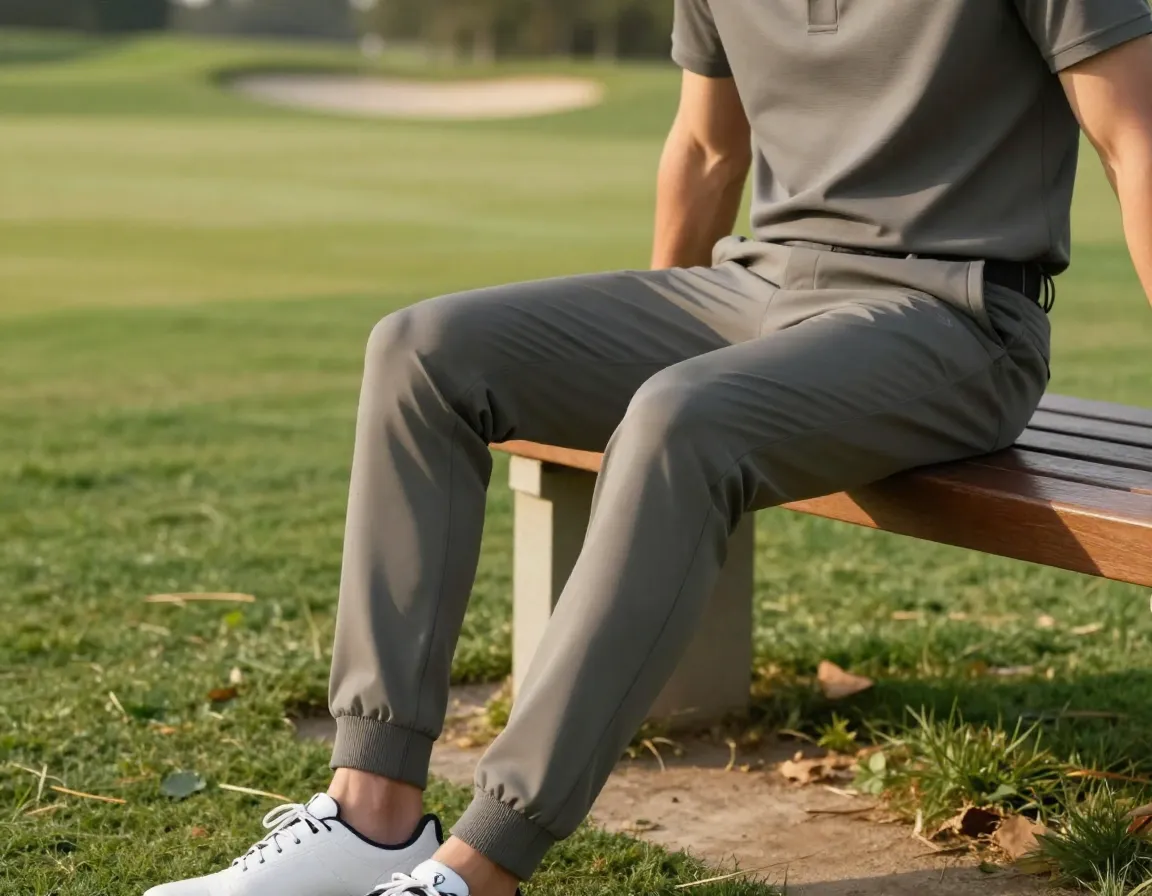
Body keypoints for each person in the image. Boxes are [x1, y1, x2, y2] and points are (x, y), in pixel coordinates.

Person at [148, 2, 1152, 895]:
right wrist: (647, 364)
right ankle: (371, 809)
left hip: (957, 318)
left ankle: (480, 865)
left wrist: (671, 408)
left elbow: (1133, 141)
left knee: (682, 416)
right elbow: (708, 149)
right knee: (422, 350)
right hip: (759, 284)